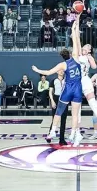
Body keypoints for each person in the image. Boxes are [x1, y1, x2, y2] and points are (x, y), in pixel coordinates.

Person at [32, 18, 84, 146]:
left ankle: (53, 131)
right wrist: (74, 28)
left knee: (59, 111)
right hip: (78, 89)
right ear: (70, 54)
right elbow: (76, 42)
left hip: (68, 89)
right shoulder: (76, 58)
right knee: (75, 114)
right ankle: (73, 134)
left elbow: (49, 72)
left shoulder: (63, 65)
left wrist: (37, 70)